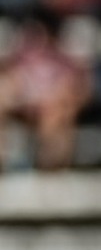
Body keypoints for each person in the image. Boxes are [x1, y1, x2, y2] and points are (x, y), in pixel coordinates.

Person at [0, 19, 92, 171]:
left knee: (56, 113)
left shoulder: (65, 59)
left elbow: (80, 88)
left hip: (51, 107)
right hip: (23, 104)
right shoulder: (20, 56)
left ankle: (51, 167)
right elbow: (11, 78)